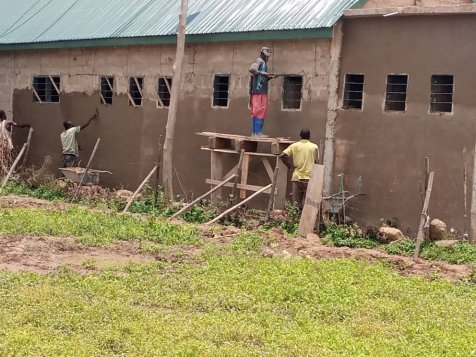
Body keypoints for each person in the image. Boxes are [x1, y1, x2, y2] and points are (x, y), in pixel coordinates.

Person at [280, 128, 319, 209]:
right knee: (308, 203)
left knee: (296, 203)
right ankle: (304, 220)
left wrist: (289, 166)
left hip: (297, 177)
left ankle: (295, 219)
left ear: (300, 136)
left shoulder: (294, 146)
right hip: (309, 178)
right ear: (309, 136)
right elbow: (317, 162)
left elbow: (282, 155)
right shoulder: (314, 147)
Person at [249, 47, 275, 137]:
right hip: (258, 92)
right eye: (267, 56)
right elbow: (252, 69)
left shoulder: (264, 64)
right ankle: (257, 132)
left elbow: (261, 79)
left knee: (260, 111)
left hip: (261, 91)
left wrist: (269, 77)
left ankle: (256, 132)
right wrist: (262, 73)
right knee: (259, 111)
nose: (268, 58)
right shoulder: (259, 61)